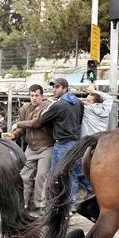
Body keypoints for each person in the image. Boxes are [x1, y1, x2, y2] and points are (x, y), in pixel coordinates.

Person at [26, 78, 83, 210]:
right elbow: (79, 120)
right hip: (75, 143)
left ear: (64, 88)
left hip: (62, 144)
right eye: (54, 87)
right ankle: (71, 205)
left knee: (55, 175)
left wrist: (51, 108)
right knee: (72, 174)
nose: (54, 90)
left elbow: (43, 119)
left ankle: (54, 205)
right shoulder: (79, 103)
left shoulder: (58, 105)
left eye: (57, 87)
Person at [5, 84, 54, 214]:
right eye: (31, 95)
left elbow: (36, 123)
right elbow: (22, 130)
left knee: (41, 177)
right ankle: (23, 204)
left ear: (41, 96)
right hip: (31, 148)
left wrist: (17, 124)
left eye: (36, 95)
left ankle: (41, 206)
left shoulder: (46, 106)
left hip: (46, 147)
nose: (34, 98)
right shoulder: (25, 108)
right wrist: (13, 135)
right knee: (24, 177)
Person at [78, 86, 113, 194]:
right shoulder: (105, 108)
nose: (85, 102)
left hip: (88, 144)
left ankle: (91, 192)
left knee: (81, 171)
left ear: (94, 103)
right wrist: (94, 91)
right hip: (100, 144)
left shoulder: (88, 109)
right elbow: (109, 98)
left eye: (88, 100)